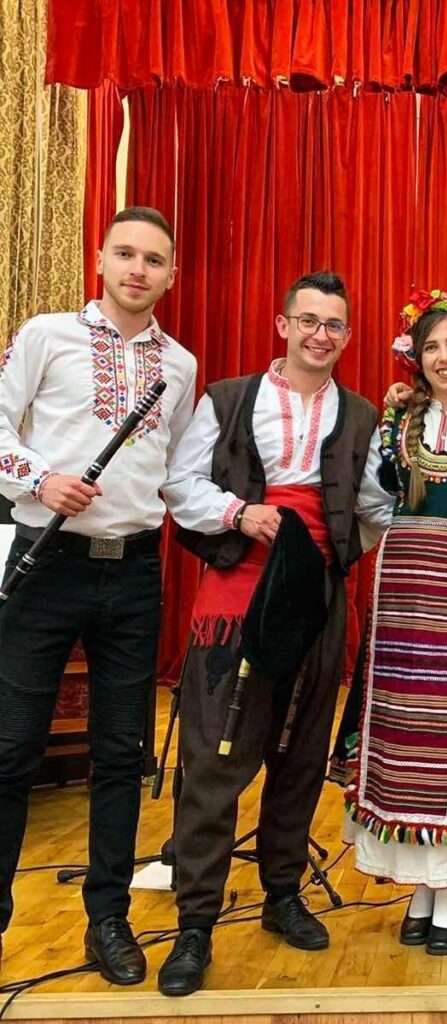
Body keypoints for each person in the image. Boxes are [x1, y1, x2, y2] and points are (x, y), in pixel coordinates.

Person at [155, 271, 380, 996]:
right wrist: (239, 514)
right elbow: (180, 485)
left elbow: (372, 509)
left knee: (301, 755)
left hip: (318, 598)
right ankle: (195, 923)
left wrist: (333, 553)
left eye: (334, 325)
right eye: (308, 320)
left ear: (347, 336)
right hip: (237, 593)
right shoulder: (227, 398)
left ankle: (282, 894)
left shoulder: (361, 414)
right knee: (215, 761)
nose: (320, 334)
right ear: (283, 325)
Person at [0, 207, 197, 981]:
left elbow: (177, 473)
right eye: (126, 254)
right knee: (10, 748)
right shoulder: (45, 336)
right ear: (101, 258)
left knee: (120, 755)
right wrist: (40, 479)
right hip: (45, 563)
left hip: (136, 573)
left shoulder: (179, 366)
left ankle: (107, 921)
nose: (138, 269)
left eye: (154, 259)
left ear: (171, 275)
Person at [330, 289, 447, 956]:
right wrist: (413, 540)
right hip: (405, 597)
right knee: (401, 730)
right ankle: (417, 886)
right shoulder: (397, 425)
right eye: (432, 346)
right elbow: (371, 502)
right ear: (418, 358)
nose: (445, 356)